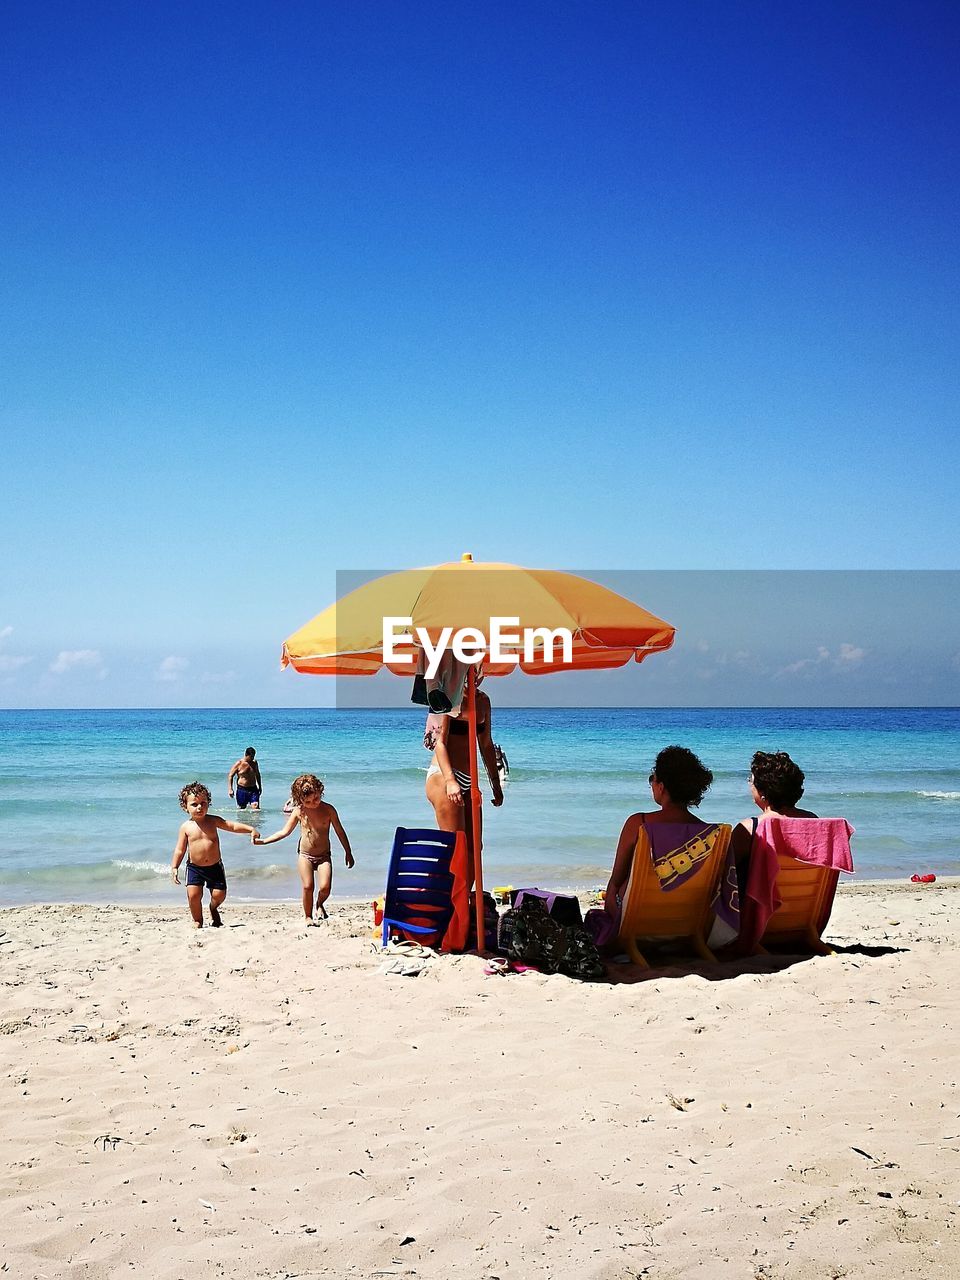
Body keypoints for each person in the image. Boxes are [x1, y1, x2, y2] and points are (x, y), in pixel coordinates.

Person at [602, 745, 714, 931]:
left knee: (615, 885)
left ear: (661, 786)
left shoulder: (639, 823)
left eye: (652, 780)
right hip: (686, 921)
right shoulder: (710, 833)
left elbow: (616, 879)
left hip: (639, 921)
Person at [424, 672, 503, 885]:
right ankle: (444, 903)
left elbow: (486, 743)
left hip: (469, 780)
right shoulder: (449, 697)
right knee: (455, 848)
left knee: (475, 848)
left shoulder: (483, 701)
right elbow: (440, 743)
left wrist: (495, 784)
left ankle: (463, 905)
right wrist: (450, 781)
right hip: (444, 775)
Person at [254, 774, 354, 925]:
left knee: (325, 887)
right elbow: (284, 832)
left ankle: (319, 904)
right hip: (305, 855)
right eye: (308, 801)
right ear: (299, 800)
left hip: (324, 856)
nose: (313, 803)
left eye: (316, 799)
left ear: (321, 792)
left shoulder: (328, 810)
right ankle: (308, 916)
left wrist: (348, 851)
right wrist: (264, 841)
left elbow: (340, 831)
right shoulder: (299, 811)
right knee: (308, 886)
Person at [171, 782, 258, 928]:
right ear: (185, 807)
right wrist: (174, 866)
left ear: (208, 803)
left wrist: (250, 829)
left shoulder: (213, 821)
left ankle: (213, 907)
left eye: (203, 803)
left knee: (219, 895)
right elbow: (180, 850)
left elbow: (232, 826)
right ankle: (197, 920)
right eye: (194, 804)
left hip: (215, 867)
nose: (199, 807)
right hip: (194, 868)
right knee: (193, 896)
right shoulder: (186, 827)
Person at [731, 751, 816, 895]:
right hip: (804, 906)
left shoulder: (749, 829)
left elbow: (725, 873)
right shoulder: (814, 822)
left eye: (750, 781)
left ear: (762, 790)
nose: (750, 785)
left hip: (758, 912)